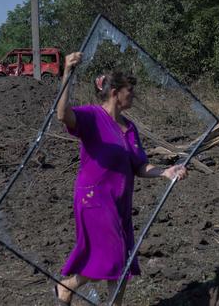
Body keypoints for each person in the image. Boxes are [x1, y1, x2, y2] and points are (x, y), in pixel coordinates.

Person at [54, 52, 188, 306]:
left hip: (120, 203)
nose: (133, 96)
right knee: (113, 256)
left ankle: (92, 295)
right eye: (130, 91)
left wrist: (165, 172)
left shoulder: (130, 127)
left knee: (122, 259)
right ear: (115, 92)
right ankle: (68, 285)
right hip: (94, 199)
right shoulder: (92, 117)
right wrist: (67, 75)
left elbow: (139, 166)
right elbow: (63, 115)